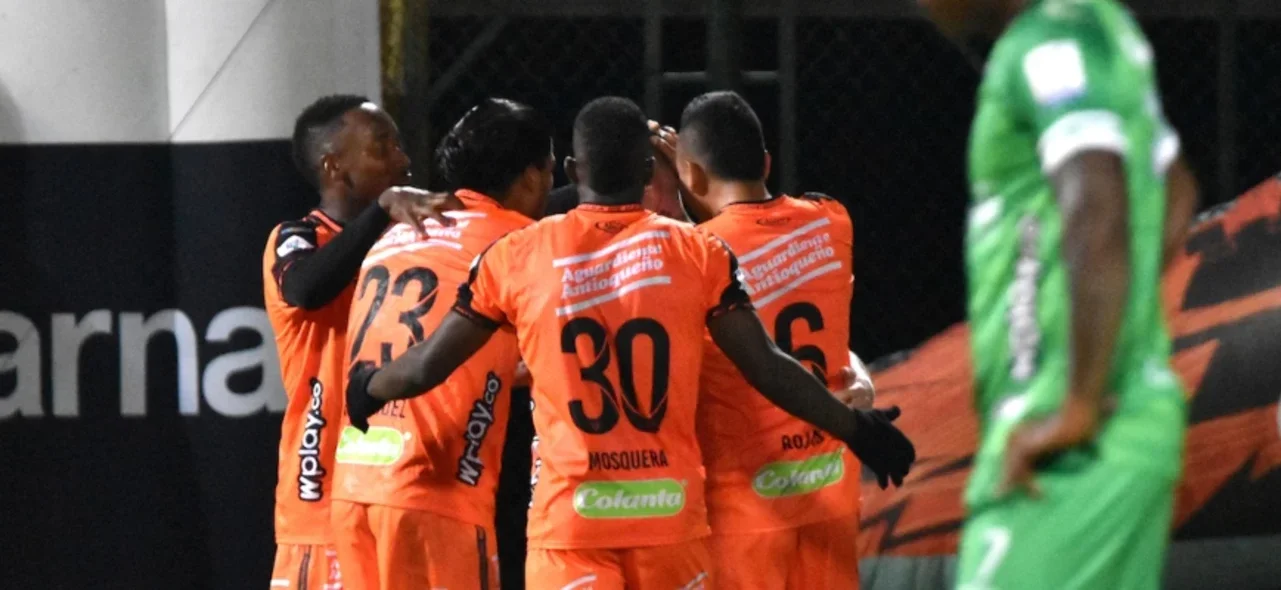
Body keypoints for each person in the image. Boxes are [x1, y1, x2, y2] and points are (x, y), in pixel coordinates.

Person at [343, 96, 915, 589]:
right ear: (648, 170)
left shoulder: (516, 256)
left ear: (571, 168)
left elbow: (424, 368)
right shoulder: (698, 254)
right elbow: (767, 366)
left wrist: (369, 385)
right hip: (669, 523)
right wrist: (857, 429)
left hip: (572, 526)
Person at [914, 1, 1199, 588]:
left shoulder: (1044, 43)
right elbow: (1175, 190)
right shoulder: (1103, 28)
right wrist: (1124, 350)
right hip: (1125, 426)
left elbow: (1096, 202)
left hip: (1062, 452)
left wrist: (1079, 404)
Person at [649, 89, 872, 589]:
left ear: (693, 175)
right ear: (766, 162)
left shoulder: (693, 253)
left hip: (743, 510)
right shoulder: (833, 219)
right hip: (830, 490)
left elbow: (717, 259)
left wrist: (685, 184)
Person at [327, 97, 553, 590]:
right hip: (434, 492)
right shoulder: (521, 245)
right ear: (533, 176)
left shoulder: (397, 236)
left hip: (354, 486)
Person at [262, 94, 458, 590]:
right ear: (335, 167)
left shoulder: (413, 245)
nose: (403, 160)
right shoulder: (298, 237)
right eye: (382, 146)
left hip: (401, 496)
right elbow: (305, 289)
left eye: (399, 145)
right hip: (320, 502)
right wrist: (382, 213)